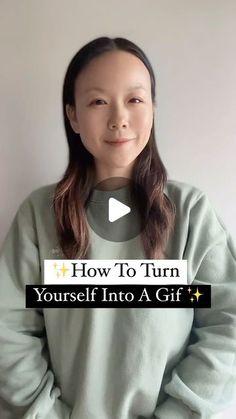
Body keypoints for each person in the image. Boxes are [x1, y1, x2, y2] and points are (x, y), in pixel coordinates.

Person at [0, 36, 236, 419]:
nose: (118, 118)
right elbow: (8, 330)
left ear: (153, 109)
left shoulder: (191, 213)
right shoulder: (40, 215)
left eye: (135, 99)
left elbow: (228, 325)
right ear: (73, 115)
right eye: (97, 101)